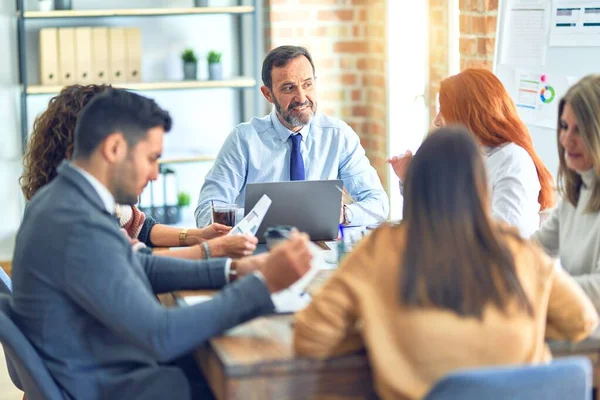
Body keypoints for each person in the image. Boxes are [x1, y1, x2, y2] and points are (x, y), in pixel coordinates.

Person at [12, 88, 313, 399]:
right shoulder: (76, 222)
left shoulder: (65, 199)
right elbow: (161, 335)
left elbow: (136, 265)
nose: (156, 174)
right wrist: (264, 285)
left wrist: (234, 270)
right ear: (115, 148)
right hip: (108, 386)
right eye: (152, 158)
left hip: (97, 371)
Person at [294, 126, 597, 400]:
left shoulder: (380, 249)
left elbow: (310, 337)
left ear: (413, 186)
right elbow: (580, 320)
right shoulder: (515, 248)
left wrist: (378, 330)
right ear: (482, 187)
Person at [20, 84, 257, 259]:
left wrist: (198, 236)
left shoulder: (82, 194)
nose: (154, 174)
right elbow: (136, 264)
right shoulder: (76, 214)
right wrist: (212, 253)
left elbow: (141, 228)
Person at [195, 45, 389, 227]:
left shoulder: (338, 136)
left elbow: (379, 204)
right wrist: (272, 215)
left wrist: (344, 214)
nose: (302, 98)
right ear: (268, 94)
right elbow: (206, 214)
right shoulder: (243, 140)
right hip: (260, 253)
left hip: (321, 252)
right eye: (289, 88)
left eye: (307, 85)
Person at [388, 69, 554, 238]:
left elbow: (507, 240)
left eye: (443, 110)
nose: (437, 121)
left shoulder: (512, 161)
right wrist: (409, 179)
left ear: (468, 114)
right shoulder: (465, 158)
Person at [532, 74, 600, 313]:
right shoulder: (577, 191)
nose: (566, 140)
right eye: (564, 126)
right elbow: (537, 246)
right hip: (578, 326)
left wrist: (541, 287)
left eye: (579, 131)